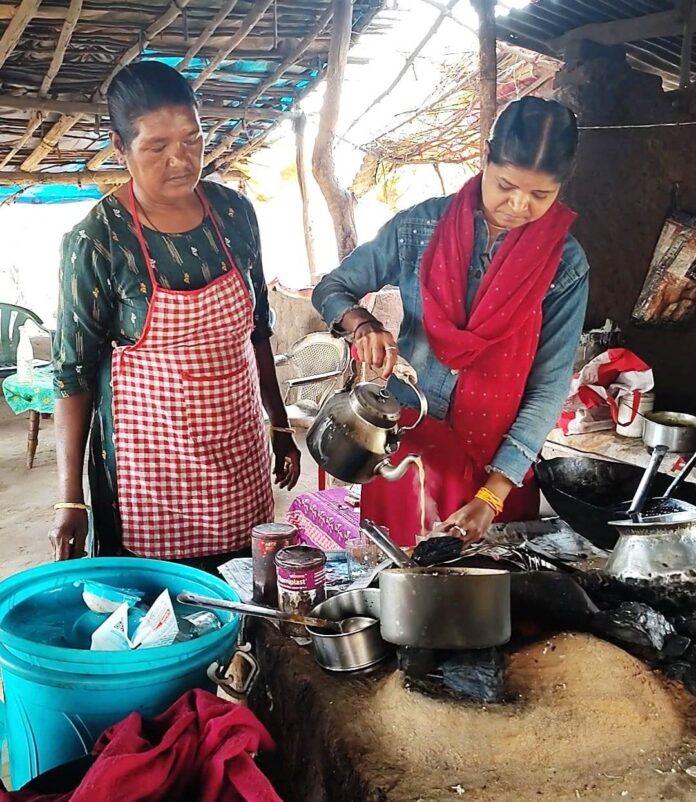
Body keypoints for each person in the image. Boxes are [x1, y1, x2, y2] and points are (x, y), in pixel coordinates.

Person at [50, 61, 300, 570]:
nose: (180, 160)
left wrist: (278, 424)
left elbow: (258, 329)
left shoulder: (234, 214)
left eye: (192, 139)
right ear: (120, 149)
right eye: (156, 147)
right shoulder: (97, 240)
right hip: (151, 474)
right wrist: (69, 497)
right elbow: (73, 376)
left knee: (246, 597)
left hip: (238, 448)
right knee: (163, 613)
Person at [312, 97, 588, 547]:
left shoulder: (564, 265)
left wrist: (491, 496)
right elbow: (333, 287)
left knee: (484, 598)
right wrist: (361, 323)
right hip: (408, 449)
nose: (519, 205)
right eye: (505, 185)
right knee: (395, 585)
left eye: (541, 195)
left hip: (498, 464)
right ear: (486, 156)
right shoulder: (420, 228)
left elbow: (549, 386)